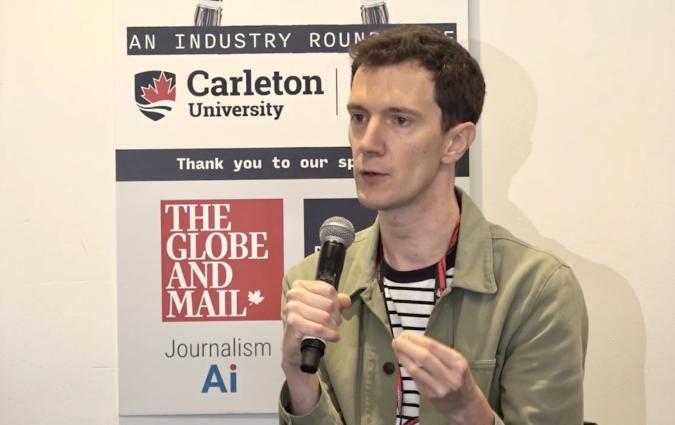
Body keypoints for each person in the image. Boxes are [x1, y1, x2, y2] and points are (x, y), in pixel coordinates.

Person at [279, 26, 588, 425]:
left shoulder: (536, 290)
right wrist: (297, 379)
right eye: (358, 117)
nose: (367, 143)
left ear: (455, 143)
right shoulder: (314, 284)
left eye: (400, 120)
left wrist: (469, 412)